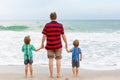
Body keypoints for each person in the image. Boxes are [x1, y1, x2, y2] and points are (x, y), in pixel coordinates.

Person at [37, 12, 68, 78]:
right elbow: (63, 35)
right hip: (58, 45)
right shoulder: (60, 25)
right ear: (56, 17)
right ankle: (58, 74)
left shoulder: (47, 25)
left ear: (50, 17)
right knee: (58, 59)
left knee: (50, 59)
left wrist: (42, 43)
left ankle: (51, 75)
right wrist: (66, 43)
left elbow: (44, 36)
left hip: (49, 45)